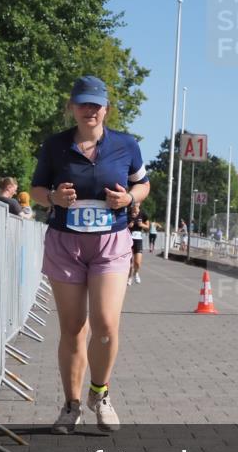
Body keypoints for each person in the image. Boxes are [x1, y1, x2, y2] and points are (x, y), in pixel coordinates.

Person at [30, 75, 149, 433]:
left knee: (106, 325)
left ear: (106, 109)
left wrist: (129, 198)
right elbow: (35, 188)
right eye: (83, 103)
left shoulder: (126, 145)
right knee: (72, 328)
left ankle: (101, 393)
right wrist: (53, 198)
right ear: (72, 108)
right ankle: (71, 405)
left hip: (110, 243)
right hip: (66, 243)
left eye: (96, 104)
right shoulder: (54, 146)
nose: (89, 110)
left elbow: (142, 184)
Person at [127, 202, 150, 285]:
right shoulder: (128, 213)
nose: (136, 204)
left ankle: (136, 273)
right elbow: (122, 226)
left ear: (139, 204)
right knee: (130, 263)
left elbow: (148, 227)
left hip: (138, 239)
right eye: (134, 202)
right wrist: (129, 225)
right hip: (129, 239)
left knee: (138, 262)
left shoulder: (143, 214)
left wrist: (142, 225)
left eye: (137, 202)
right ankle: (130, 277)